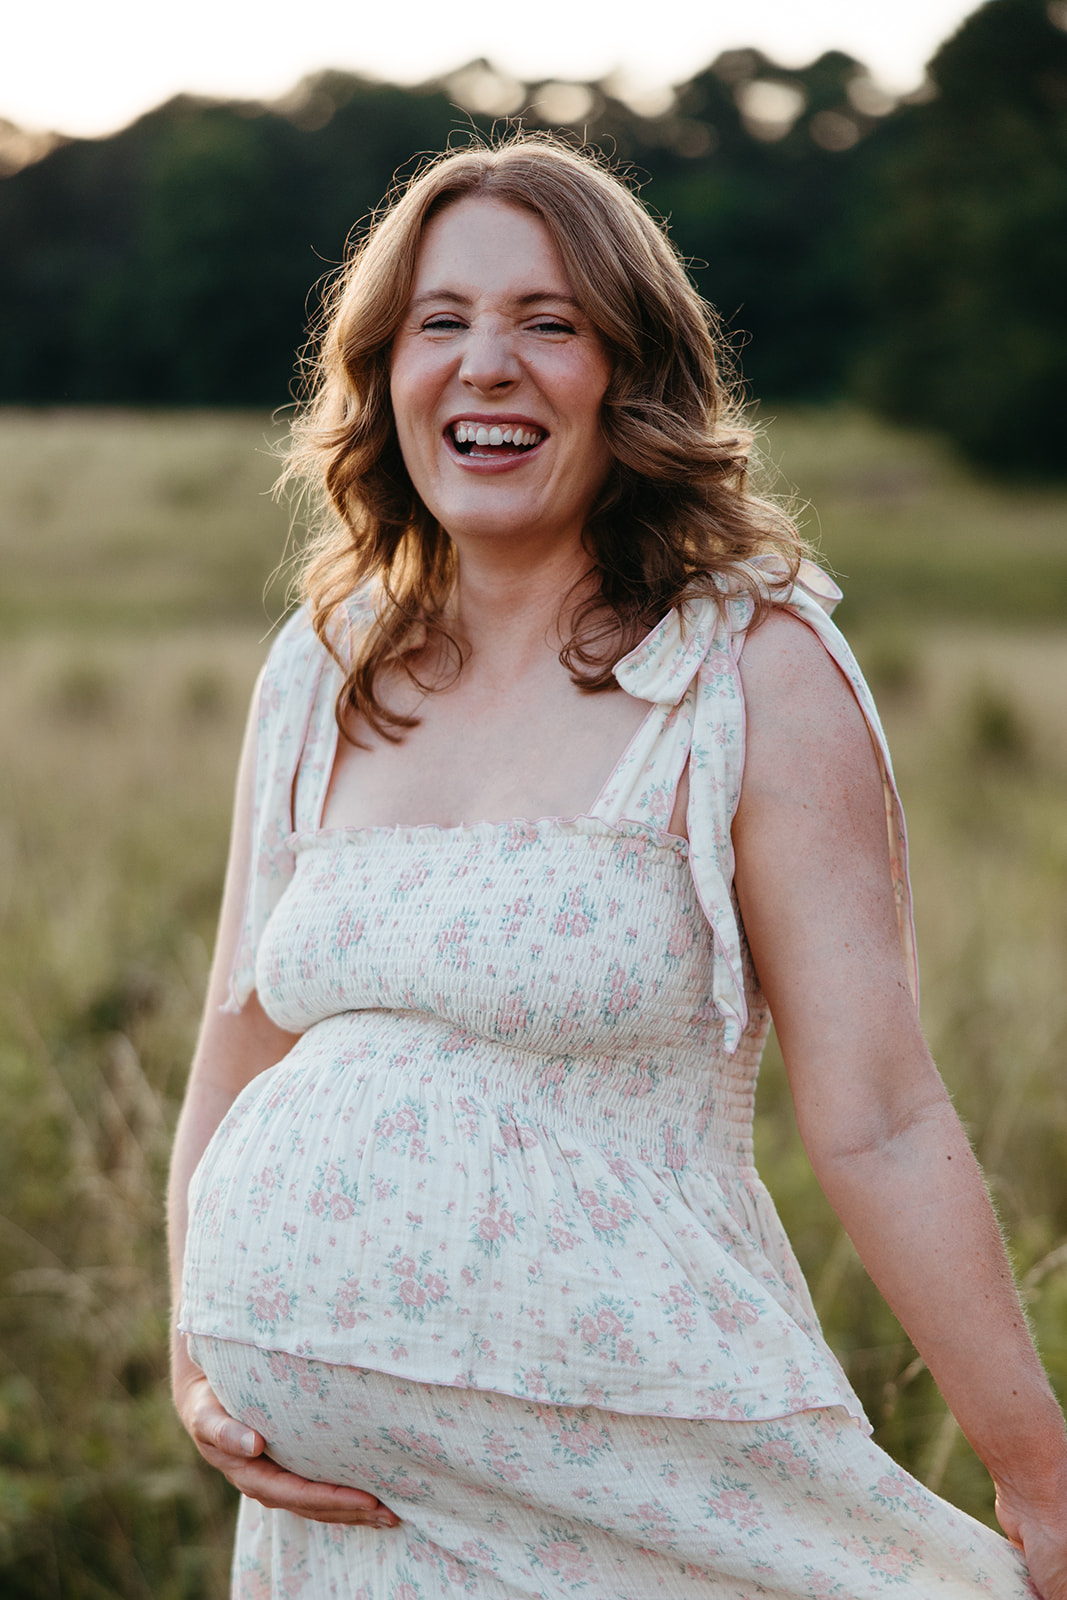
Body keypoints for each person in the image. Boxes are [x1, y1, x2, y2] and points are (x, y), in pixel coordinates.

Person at [168, 134, 1067, 1599]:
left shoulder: (751, 672)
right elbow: (240, 1032)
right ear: (386, 373)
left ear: (630, 377)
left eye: (551, 323)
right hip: (347, 1519)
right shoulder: (322, 665)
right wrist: (196, 1352)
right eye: (441, 323)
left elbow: (882, 1116)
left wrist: (1045, 1481)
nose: (487, 365)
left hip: (648, 1474)